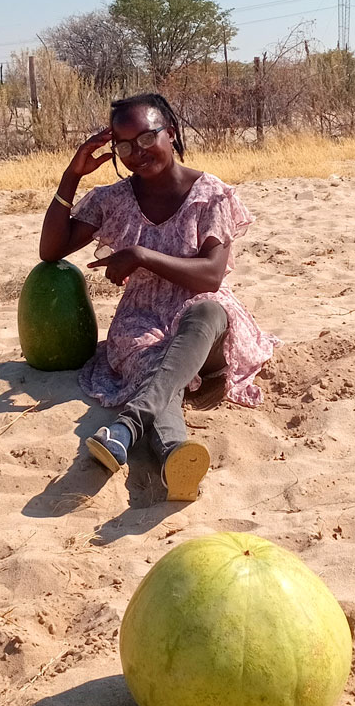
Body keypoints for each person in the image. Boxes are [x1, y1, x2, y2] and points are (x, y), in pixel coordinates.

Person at [37, 93, 277, 502]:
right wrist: (72, 174)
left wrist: (141, 255)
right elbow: (51, 250)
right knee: (156, 368)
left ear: (172, 132)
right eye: (124, 145)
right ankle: (174, 454)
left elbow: (212, 276)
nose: (136, 153)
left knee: (204, 311)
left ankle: (127, 425)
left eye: (147, 138)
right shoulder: (113, 200)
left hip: (204, 324)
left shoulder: (210, 194)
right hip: (141, 320)